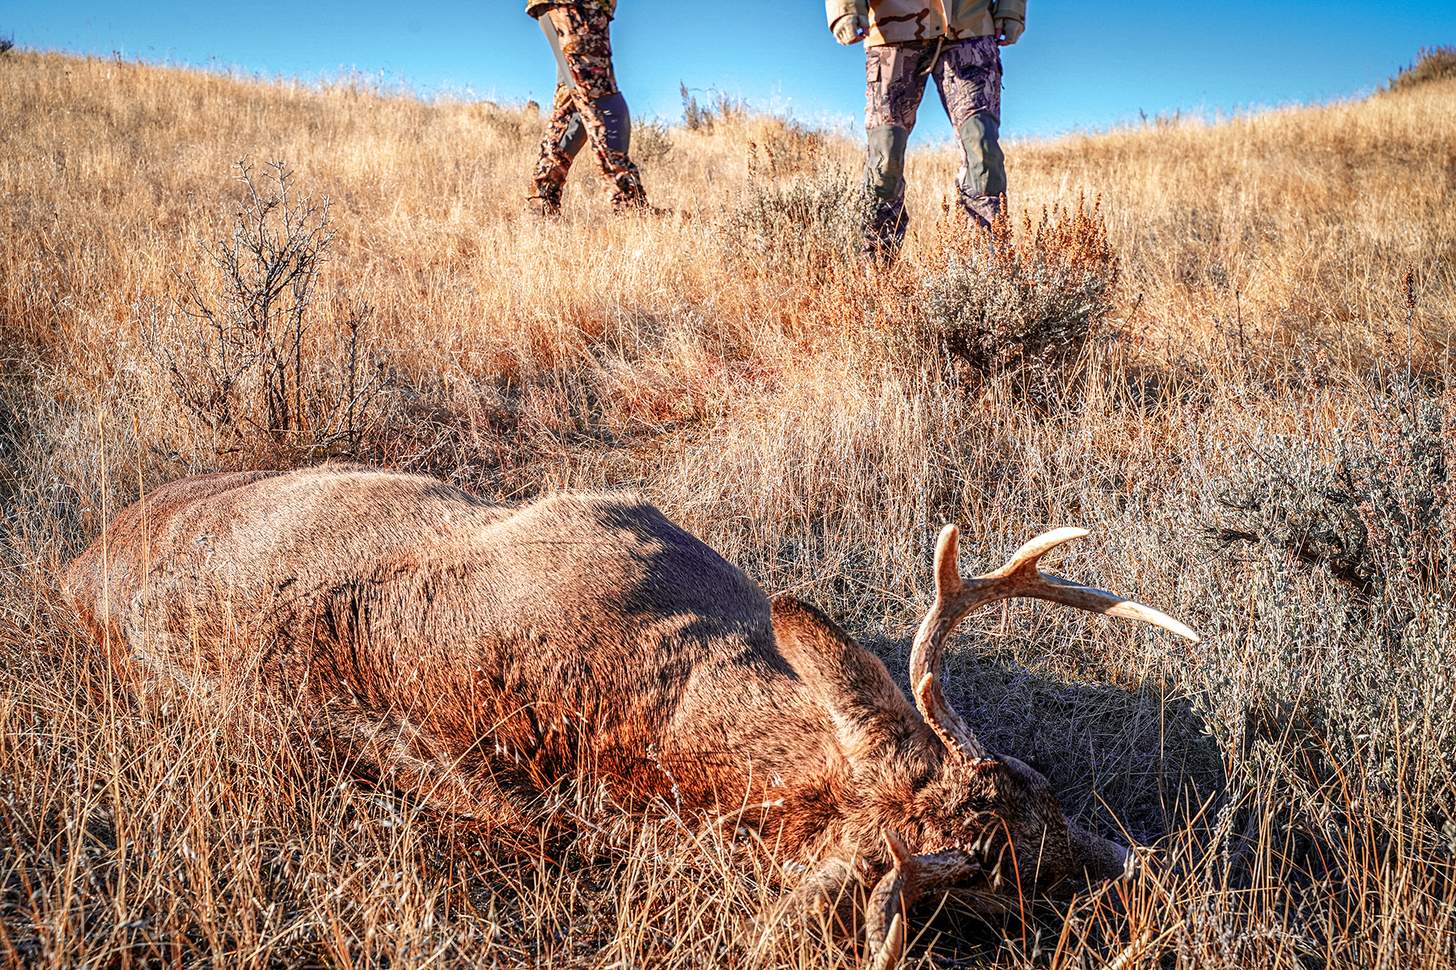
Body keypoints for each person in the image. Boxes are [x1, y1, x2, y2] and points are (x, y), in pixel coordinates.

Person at [826, 0, 1025, 259]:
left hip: (970, 25)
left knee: (981, 145)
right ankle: (876, 275)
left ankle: (986, 274)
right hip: (893, 26)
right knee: (885, 156)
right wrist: (846, 8)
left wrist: (1011, 8)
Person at [525, 0, 647, 214]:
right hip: (578, 8)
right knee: (603, 102)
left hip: (573, 9)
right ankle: (631, 208)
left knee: (574, 110)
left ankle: (542, 205)